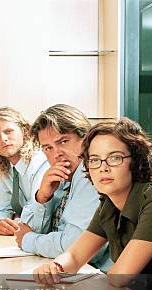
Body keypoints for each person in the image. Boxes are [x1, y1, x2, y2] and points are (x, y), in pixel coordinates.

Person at [34, 118, 152, 283]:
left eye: (115, 158)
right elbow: (74, 256)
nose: (103, 167)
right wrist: (55, 267)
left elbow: (118, 279)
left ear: (136, 161)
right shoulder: (109, 204)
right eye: (94, 160)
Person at [15, 104, 109, 269]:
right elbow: (28, 228)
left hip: (116, 280)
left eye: (63, 141)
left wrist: (29, 240)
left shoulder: (94, 172)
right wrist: (43, 197)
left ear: (86, 139)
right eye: (48, 148)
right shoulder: (63, 176)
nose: (56, 153)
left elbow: (75, 246)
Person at [0, 107, 48, 235]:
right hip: (20, 237)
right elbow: (0, 209)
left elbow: (38, 209)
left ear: (25, 131)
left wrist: (18, 220)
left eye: (9, 131)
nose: (3, 139)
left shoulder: (40, 162)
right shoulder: (2, 169)